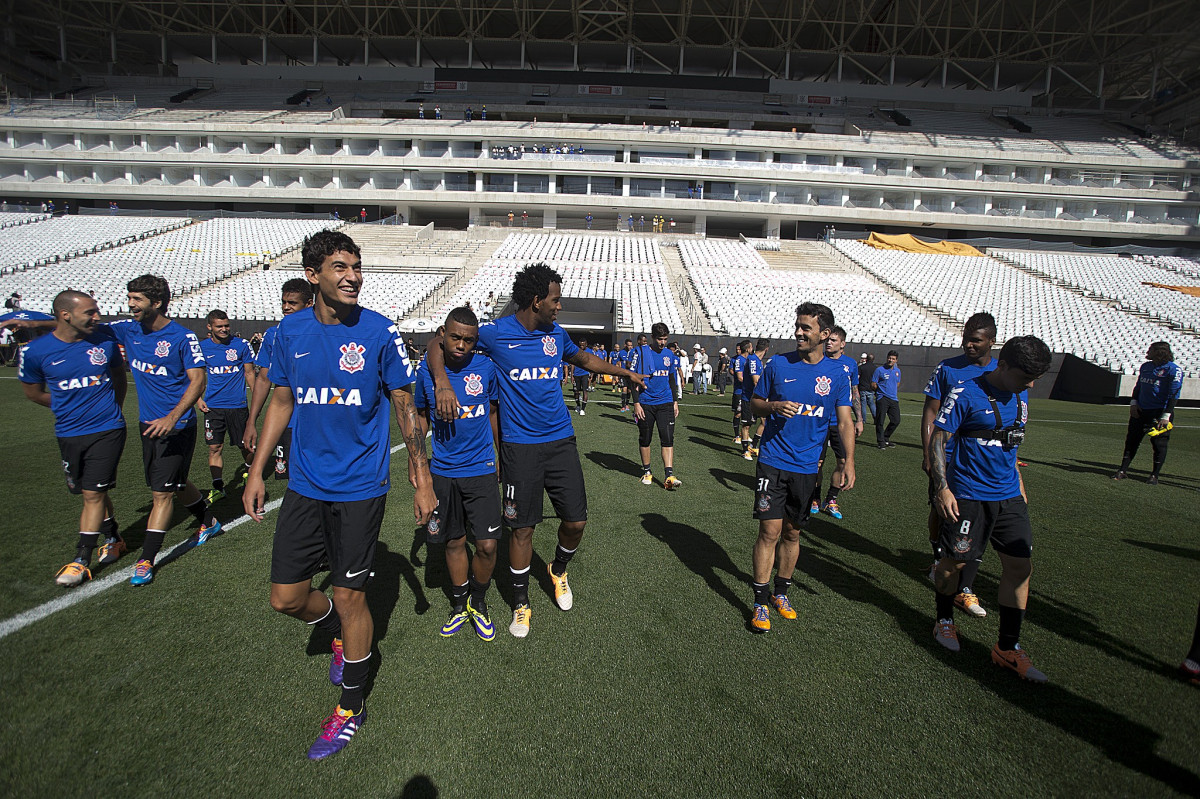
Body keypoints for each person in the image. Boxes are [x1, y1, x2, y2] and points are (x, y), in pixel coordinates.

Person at [243, 230, 436, 760]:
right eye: (339, 267)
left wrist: (421, 481)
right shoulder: (288, 331)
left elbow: (404, 405)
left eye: (356, 266)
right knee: (285, 598)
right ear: (314, 276)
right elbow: (281, 400)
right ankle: (329, 624)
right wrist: (257, 471)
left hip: (359, 488)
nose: (352, 275)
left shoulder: (379, 331)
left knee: (353, 598)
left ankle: (352, 705)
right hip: (304, 485)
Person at [425, 262, 644, 638]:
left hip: (560, 442)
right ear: (536, 299)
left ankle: (558, 569)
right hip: (519, 448)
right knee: (521, 530)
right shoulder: (495, 333)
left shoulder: (555, 335)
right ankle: (521, 603)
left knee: (576, 522)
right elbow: (436, 342)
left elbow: (583, 360)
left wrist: (624, 373)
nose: (559, 307)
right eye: (555, 300)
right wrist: (442, 380)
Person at [929, 335, 1052, 682]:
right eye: (1025, 376)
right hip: (968, 494)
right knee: (954, 565)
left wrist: (1020, 488)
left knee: (1020, 566)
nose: (1029, 384)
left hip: (1009, 496)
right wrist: (942, 489)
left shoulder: (1022, 394)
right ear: (1003, 365)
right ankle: (944, 620)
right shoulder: (966, 392)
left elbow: (1010, 445)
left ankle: (1007, 648)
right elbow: (939, 440)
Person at [749, 303, 855, 632]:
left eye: (806, 328)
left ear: (824, 334)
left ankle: (781, 592)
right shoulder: (778, 364)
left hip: (808, 467)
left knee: (793, 532)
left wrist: (848, 460)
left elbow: (844, 419)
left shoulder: (838, 374)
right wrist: (773, 406)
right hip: (772, 461)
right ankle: (760, 601)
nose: (798, 332)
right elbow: (754, 402)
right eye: (797, 326)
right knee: (769, 531)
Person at [111, 275, 221, 584]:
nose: (130, 304)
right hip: (147, 424)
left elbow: (198, 380)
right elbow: (84, 328)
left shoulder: (182, 338)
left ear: (156, 303)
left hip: (178, 426)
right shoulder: (127, 330)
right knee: (173, 482)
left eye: (137, 299)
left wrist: (172, 417)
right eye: (129, 297)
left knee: (161, 494)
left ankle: (146, 559)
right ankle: (209, 521)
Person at [18, 290, 128, 585]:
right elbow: (32, 392)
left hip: (108, 428)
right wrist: (68, 406)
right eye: (90, 312)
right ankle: (113, 536)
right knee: (90, 492)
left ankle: (81, 559)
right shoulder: (36, 352)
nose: (97, 317)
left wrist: (113, 408)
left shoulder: (104, 341)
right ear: (66, 315)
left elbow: (119, 377)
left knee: (93, 493)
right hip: (68, 431)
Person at [414, 306, 501, 641]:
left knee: (488, 545)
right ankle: (460, 604)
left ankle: (478, 603)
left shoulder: (486, 368)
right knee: (454, 541)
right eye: (455, 337)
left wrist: (500, 455)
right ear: (442, 334)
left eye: (468, 339)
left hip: (480, 468)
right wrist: (416, 462)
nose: (461, 345)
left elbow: (493, 412)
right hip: (443, 471)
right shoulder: (427, 373)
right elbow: (420, 419)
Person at [921, 313, 998, 619]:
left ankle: (962, 584)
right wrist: (930, 452)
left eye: (976, 340)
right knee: (940, 510)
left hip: (979, 463)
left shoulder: (1001, 371)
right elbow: (931, 410)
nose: (968, 344)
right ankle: (938, 558)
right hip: (947, 456)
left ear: (991, 341)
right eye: (966, 337)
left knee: (973, 520)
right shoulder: (948, 367)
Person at [244, 278, 314, 479]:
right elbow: (263, 379)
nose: (286, 307)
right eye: (284, 302)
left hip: (317, 421)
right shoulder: (273, 335)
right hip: (286, 421)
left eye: (292, 303)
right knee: (290, 479)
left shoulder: (324, 332)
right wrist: (252, 421)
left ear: (309, 304)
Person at [197, 309, 256, 502]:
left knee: (246, 446)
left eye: (226, 325)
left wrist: (257, 397)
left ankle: (249, 472)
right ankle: (218, 486)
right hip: (213, 407)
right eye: (219, 326)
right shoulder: (202, 347)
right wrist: (198, 399)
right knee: (214, 447)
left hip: (237, 406)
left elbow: (249, 373)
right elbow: (196, 377)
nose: (224, 329)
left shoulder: (240, 345)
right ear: (209, 327)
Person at [809, 326, 863, 520]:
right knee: (817, 463)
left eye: (833, 340)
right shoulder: (818, 361)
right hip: (819, 420)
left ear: (843, 343)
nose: (829, 342)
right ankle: (814, 498)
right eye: (828, 340)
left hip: (841, 422)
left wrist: (859, 419)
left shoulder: (850, 365)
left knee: (843, 461)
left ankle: (831, 499)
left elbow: (854, 392)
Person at [1112, 341, 1182, 485]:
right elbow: (1138, 386)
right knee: (1132, 440)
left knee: (1159, 444)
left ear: (1159, 352)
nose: (1147, 352)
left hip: (1160, 413)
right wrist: (1133, 403)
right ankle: (1123, 470)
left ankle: (1154, 475)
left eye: (1151, 349)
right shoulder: (1146, 367)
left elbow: (1174, 394)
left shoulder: (1173, 370)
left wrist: (1166, 415)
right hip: (1141, 410)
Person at [629, 323, 684, 489]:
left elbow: (672, 379)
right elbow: (632, 378)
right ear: (653, 338)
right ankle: (647, 471)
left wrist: (675, 401)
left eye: (665, 339)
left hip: (666, 402)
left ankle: (669, 475)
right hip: (645, 403)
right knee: (646, 438)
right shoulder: (641, 352)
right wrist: (636, 403)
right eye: (660, 339)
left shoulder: (670, 354)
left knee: (667, 438)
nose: (663, 342)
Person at [740, 339, 769, 460]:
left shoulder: (758, 361)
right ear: (766, 349)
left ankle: (753, 445)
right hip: (749, 398)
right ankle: (745, 450)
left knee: (764, 422)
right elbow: (756, 380)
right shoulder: (752, 360)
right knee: (747, 425)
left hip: (757, 398)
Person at [872, 350, 901, 448]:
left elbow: (897, 383)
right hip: (882, 398)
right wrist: (880, 392)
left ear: (896, 360)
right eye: (889, 358)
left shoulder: (897, 371)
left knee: (896, 420)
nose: (890, 360)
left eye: (893, 359)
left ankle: (886, 437)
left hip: (894, 398)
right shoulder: (879, 370)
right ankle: (880, 441)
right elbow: (873, 384)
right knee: (880, 420)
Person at [569, 338, 591, 415]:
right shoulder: (576, 351)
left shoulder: (589, 351)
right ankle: (578, 405)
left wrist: (591, 373)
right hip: (576, 374)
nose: (581, 346)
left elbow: (591, 362)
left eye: (583, 345)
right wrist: (571, 375)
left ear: (586, 344)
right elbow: (573, 363)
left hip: (585, 374)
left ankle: (583, 409)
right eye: (580, 345)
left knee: (585, 391)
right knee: (576, 392)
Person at [731, 342, 747, 442]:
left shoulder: (748, 359)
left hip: (747, 392)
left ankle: (744, 434)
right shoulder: (736, 359)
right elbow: (733, 371)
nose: (737, 351)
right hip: (739, 390)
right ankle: (737, 435)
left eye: (739, 349)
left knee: (746, 414)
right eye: (736, 349)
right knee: (738, 413)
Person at [857, 353, 876, 425]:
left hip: (862, 388)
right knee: (871, 404)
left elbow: (858, 377)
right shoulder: (875, 368)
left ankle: (863, 420)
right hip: (871, 388)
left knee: (863, 404)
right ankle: (876, 418)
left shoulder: (861, 367)